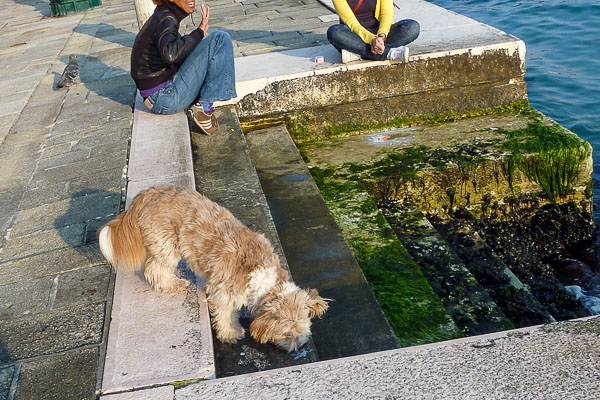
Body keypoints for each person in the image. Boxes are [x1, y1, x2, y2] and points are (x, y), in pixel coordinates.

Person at [130, 0, 237, 134]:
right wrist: (199, 33)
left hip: (157, 95)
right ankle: (205, 108)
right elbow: (170, 54)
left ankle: (202, 102)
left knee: (204, 50)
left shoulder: (163, 13)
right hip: (164, 97)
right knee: (220, 39)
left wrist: (199, 34)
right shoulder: (167, 19)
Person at [327, 0, 420, 63]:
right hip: (354, 35)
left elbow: (386, 14)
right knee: (334, 31)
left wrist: (381, 37)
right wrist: (372, 39)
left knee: (412, 27)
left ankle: (359, 53)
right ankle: (389, 53)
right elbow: (352, 24)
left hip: (379, 32)